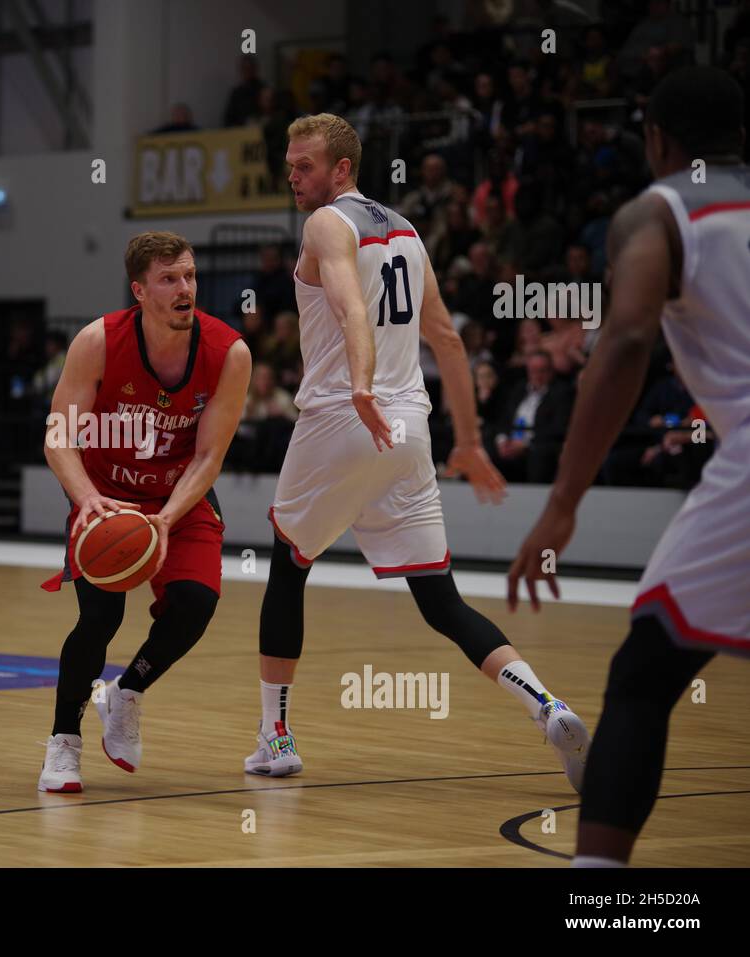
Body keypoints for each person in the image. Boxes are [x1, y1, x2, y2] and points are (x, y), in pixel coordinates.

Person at [245, 114, 590, 792]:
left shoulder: (323, 225)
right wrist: (467, 440)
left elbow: (350, 310)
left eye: (306, 165)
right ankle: (548, 706)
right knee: (440, 599)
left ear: (343, 170)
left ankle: (275, 738)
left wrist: (362, 383)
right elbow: (450, 343)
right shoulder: (406, 232)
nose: (294, 175)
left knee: (288, 563)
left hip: (348, 414)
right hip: (409, 430)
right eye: (289, 164)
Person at [507, 66, 749, 867]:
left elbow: (627, 340)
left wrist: (563, 502)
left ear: (655, 138)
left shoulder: (661, 209)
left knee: (645, 671)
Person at [37, 231, 250, 792]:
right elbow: (59, 438)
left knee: (196, 603)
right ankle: (63, 743)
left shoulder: (229, 352)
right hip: (104, 493)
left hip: (181, 496)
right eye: (169, 279)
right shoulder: (97, 341)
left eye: (190, 275)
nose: (186, 289)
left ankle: (127, 692)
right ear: (139, 290)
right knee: (100, 620)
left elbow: (210, 455)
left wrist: (164, 519)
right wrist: (87, 501)